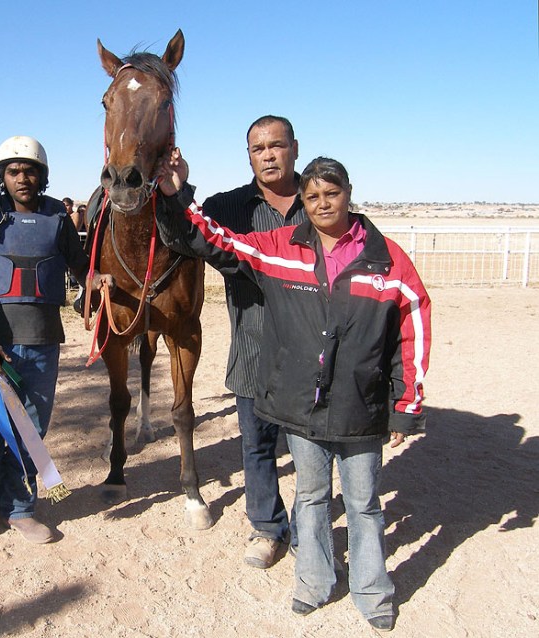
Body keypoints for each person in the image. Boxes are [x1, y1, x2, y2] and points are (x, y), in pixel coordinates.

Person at [155, 153, 431, 632]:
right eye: (313, 196)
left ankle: (372, 591)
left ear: (348, 193)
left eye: (332, 193)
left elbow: (413, 328)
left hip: (360, 405)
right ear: (303, 202)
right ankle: (314, 582)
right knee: (311, 494)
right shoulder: (281, 248)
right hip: (303, 404)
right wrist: (179, 193)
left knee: (364, 502)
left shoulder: (386, 260)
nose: (323, 204)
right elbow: (216, 241)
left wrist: (406, 406)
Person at [0, 136, 112, 544]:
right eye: (13, 171)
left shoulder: (58, 219)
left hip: (43, 341)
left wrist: (100, 283)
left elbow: (82, 269)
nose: (22, 178)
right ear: (1, 177)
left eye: (30, 170)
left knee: (31, 429)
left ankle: (23, 508)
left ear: (42, 176)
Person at [202, 115, 307, 570]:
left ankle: (309, 531)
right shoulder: (228, 207)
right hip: (253, 351)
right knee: (257, 446)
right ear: (248, 156)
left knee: (311, 452)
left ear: (294, 148)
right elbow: (188, 235)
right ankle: (267, 527)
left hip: (311, 358)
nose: (267, 154)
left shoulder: (321, 200)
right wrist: (174, 190)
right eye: (257, 148)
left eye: (276, 145)